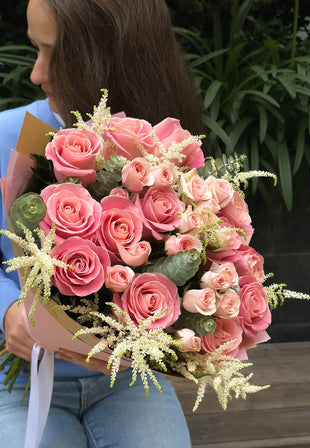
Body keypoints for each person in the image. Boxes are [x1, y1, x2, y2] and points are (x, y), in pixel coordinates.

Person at [0, 0, 204, 446]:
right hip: (20, 377)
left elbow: (199, 256)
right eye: (35, 48)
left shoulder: (168, 149)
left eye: (53, 53)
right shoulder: (8, 134)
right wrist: (9, 311)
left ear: (108, 56)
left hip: (128, 379)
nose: (36, 73)